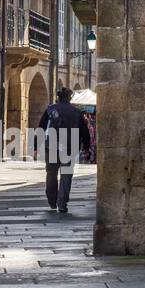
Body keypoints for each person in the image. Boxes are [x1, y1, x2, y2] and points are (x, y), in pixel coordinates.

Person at [34, 86, 92, 214]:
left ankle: (51, 200)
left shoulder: (50, 109)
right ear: (70, 97)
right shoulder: (77, 112)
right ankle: (62, 203)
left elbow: (41, 127)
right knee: (66, 175)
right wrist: (86, 148)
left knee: (51, 174)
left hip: (52, 146)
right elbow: (84, 131)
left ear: (58, 97)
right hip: (69, 146)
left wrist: (35, 146)